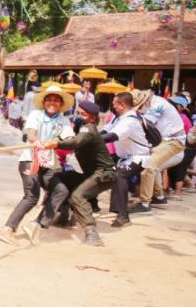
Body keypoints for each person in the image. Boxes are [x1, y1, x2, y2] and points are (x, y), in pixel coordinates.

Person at [0, 84, 74, 246]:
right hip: (30, 160)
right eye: (49, 100)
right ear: (44, 102)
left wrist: (55, 142)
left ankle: (37, 224)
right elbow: (30, 133)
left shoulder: (64, 120)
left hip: (49, 163)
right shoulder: (36, 114)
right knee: (32, 196)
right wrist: (35, 141)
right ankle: (7, 229)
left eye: (56, 100)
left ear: (61, 104)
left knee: (61, 190)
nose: (52, 103)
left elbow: (69, 139)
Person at [40, 101, 114, 246]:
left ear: (92, 118)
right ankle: (63, 217)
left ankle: (92, 233)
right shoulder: (80, 130)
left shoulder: (89, 129)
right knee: (61, 178)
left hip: (104, 175)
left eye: (83, 114)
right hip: (91, 174)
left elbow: (74, 143)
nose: (78, 116)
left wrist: (56, 143)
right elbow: (71, 140)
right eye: (78, 112)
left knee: (78, 196)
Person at [130, 89, 187, 214]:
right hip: (165, 140)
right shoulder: (149, 103)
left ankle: (145, 204)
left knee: (148, 166)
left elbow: (145, 124)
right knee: (153, 167)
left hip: (174, 140)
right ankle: (159, 197)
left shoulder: (158, 104)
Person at [100, 91, 151, 227]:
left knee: (119, 176)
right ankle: (101, 206)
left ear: (121, 105)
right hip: (125, 157)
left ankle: (123, 216)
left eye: (115, 104)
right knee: (108, 173)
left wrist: (93, 140)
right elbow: (106, 130)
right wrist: (95, 135)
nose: (113, 107)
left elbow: (112, 136)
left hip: (138, 157)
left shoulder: (129, 121)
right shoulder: (119, 118)